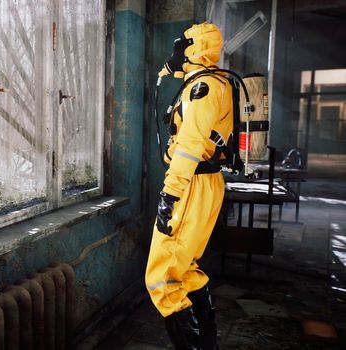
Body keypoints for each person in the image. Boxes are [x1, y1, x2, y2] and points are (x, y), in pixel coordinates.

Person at [145, 22, 232, 350]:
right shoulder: (214, 82)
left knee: (162, 280)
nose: (175, 53)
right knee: (185, 270)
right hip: (205, 183)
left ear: (194, 49)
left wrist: (170, 194)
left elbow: (189, 147)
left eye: (180, 46)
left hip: (192, 185)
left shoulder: (203, 88)